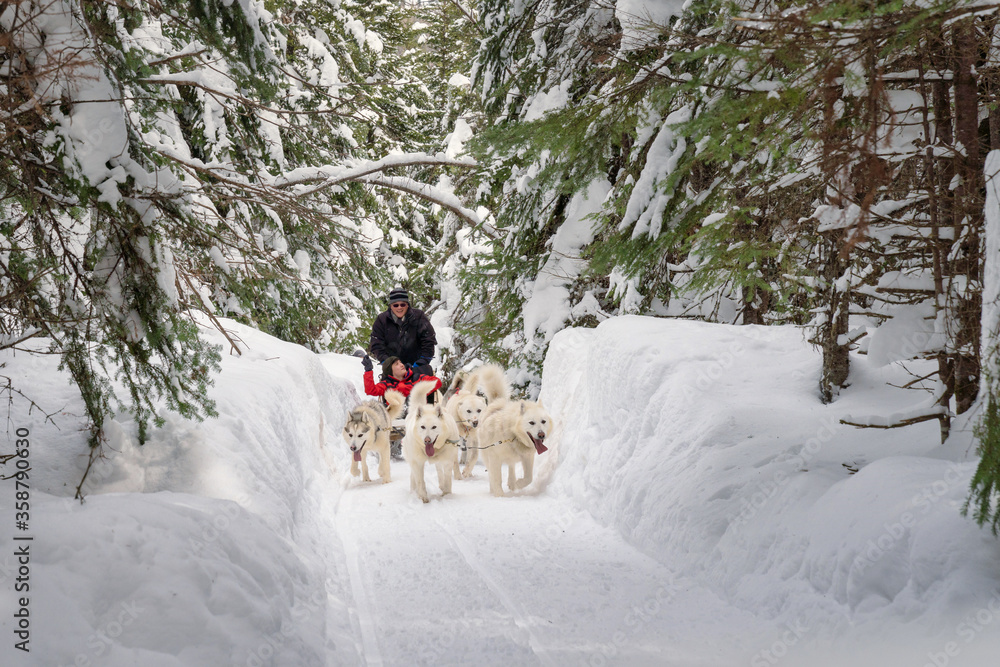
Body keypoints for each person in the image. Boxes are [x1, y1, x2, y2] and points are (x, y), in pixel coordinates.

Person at [369, 287, 436, 380]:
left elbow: (429, 340)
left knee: (426, 391)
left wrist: (421, 362)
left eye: (402, 304)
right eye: (396, 305)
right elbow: (376, 344)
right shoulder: (381, 320)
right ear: (391, 306)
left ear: (407, 305)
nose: (399, 307)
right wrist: (389, 363)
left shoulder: (419, 317)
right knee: (389, 392)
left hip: (417, 367)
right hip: (393, 370)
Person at [362, 355, 442, 400]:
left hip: (417, 415)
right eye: (397, 364)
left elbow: (437, 382)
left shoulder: (416, 378)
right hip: (395, 417)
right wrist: (368, 370)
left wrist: (420, 391)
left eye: (401, 362)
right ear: (390, 370)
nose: (401, 365)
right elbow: (370, 390)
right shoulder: (386, 384)